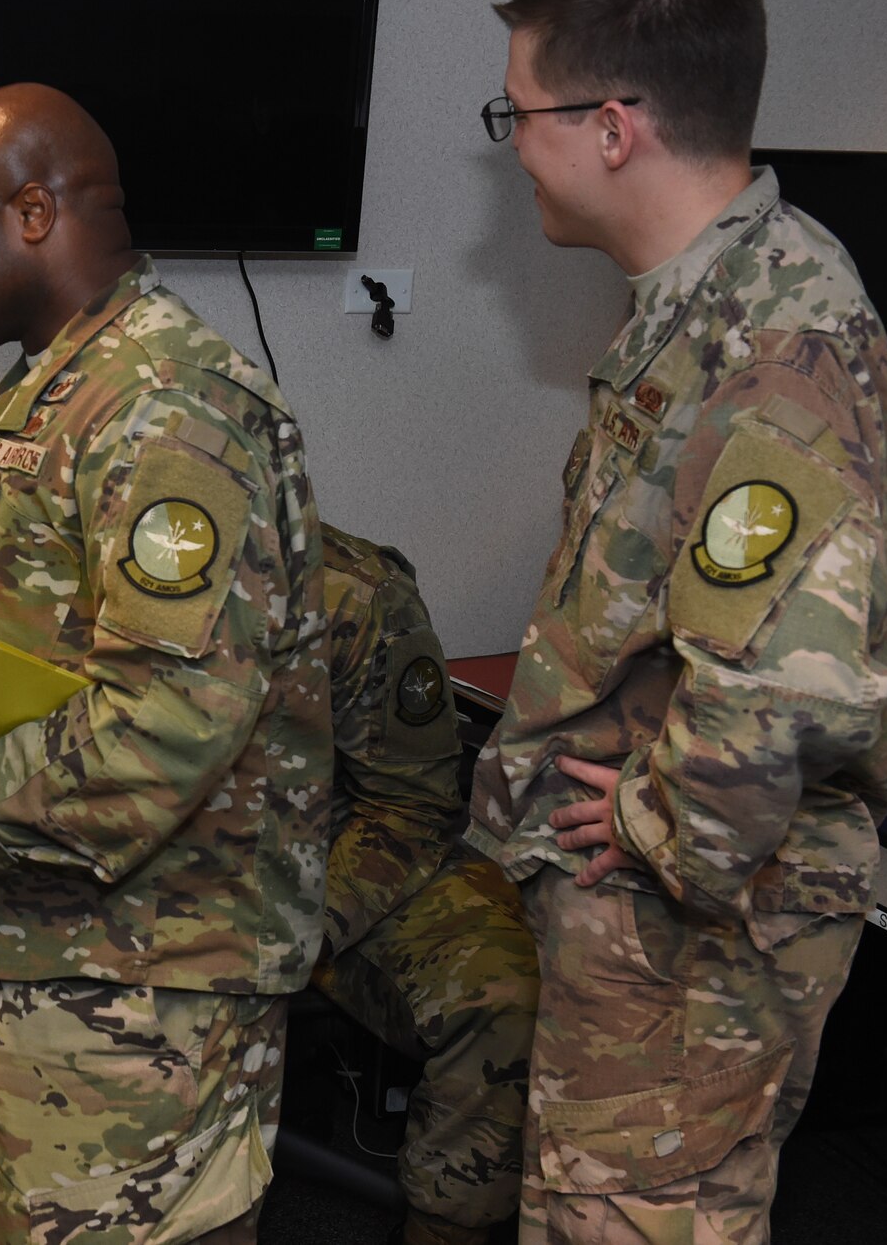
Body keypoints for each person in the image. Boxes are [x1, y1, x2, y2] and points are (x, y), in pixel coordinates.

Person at [0, 84, 331, 1245]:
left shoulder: (166, 403)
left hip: (143, 984)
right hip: (51, 950)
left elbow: (164, 724)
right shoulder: (62, 388)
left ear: (35, 212)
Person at [467, 0, 887, 1242]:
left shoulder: (782, 333)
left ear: (610, 126)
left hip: (701, 938)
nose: (511, 145)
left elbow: (789, 676)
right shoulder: (699, 301)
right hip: (652, 929)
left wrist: (665, 827)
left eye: (516, 113)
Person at [312, 524, 536, 1245]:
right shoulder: (59, 566)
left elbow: (409, 806)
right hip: (150, 860)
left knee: (503, 993)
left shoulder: (350, 592)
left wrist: (293, 928)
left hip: (332, 858)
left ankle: (449, 1228)